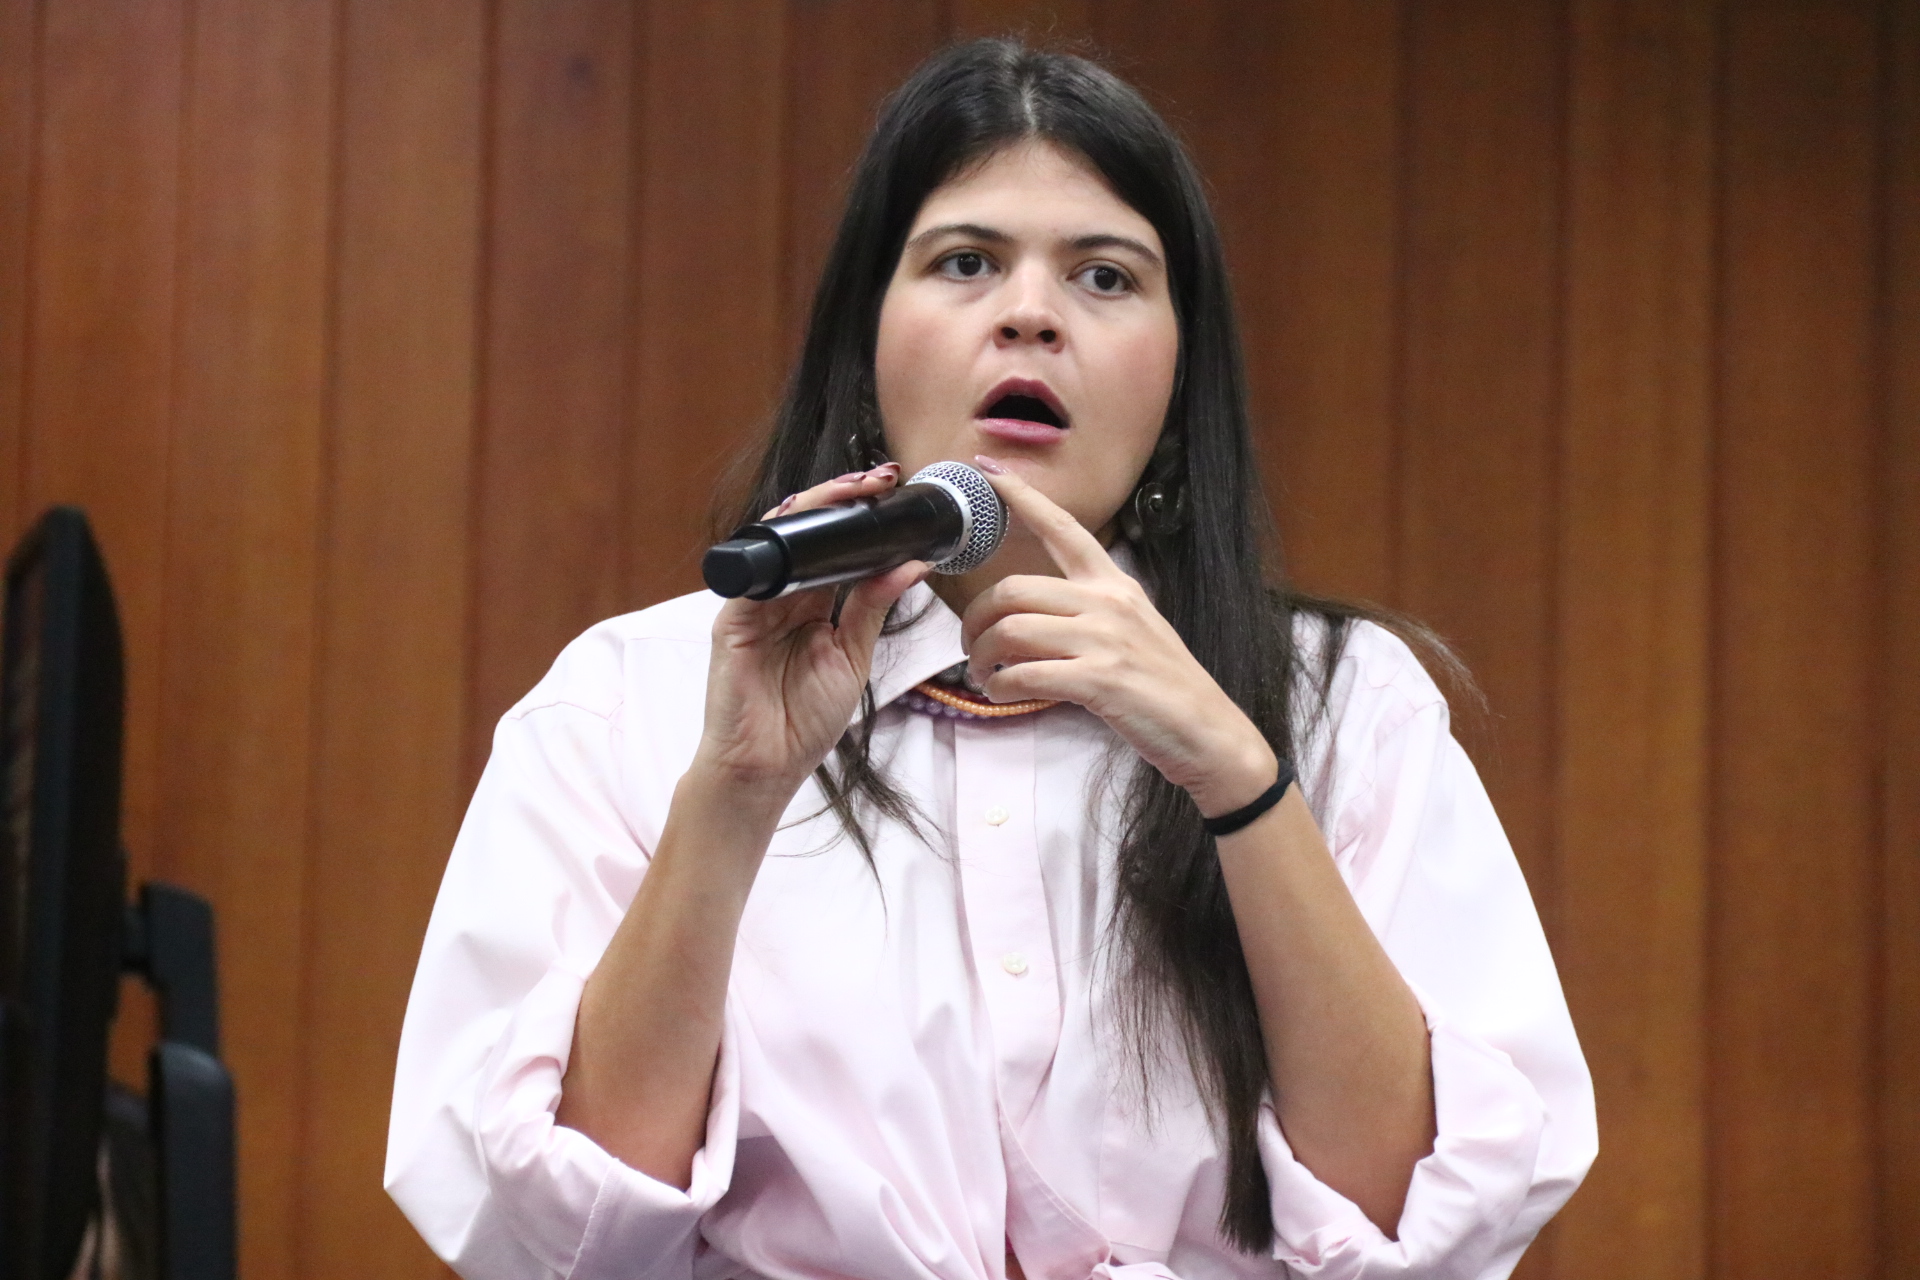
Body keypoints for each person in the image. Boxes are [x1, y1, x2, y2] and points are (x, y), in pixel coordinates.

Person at [386, 38, 1595, 1280]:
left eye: (1105, 276)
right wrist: (735, 793)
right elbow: (562, 1237)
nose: (1030, 312)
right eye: (965, 262)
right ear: (867, 345)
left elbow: (1418, 1225)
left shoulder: (1346, 706)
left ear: (1179, 383)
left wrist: (1240, 778)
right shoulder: (629, 699)